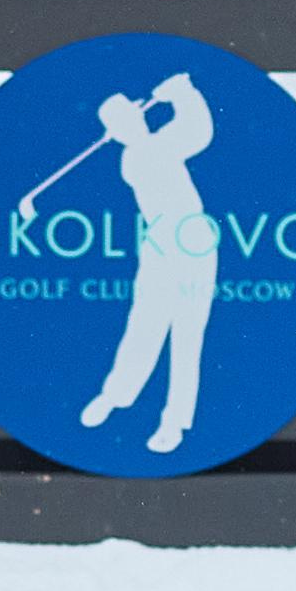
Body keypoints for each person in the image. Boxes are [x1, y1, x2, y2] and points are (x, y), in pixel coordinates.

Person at [79, 71, 221, 457]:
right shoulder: (141, 155)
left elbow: (197, 133)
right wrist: (183, 94)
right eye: (122, 121)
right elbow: (195, 132)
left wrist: (183, 94)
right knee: (145, 323)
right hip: (163, 241)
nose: (132, 121)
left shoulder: (153, 146)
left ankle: (174, 421)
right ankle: (116, 396)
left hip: (192, 239)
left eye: (132, 114)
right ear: (118, 130)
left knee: (187, 331)